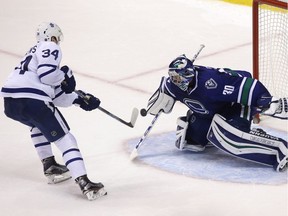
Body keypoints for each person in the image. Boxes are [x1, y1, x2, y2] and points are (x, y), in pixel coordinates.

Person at [0, 22, 107, 200]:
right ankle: (85, 182)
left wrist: (79, 99)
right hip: (32, 99)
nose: (57, 42)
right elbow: (48, 75)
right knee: (66, 139)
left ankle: (50, 165)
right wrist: (65, 76)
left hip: (11, 103)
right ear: (51, 37)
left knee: (37, 125)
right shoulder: (48, 46)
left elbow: (54, 95)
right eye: (56, 38)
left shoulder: (32, 54)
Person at [145, 54, 288, 172]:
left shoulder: (212, 83)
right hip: (211, 110)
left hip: (236, 104)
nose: (175, 81)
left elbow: (248, 87)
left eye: (177, 78)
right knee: (192, 141)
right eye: (173, 78)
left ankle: (280, 149)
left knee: (229, 137)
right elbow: (166, 87)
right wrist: (159, 99)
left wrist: (267, 103)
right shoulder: (172, 85)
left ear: (188, 74)